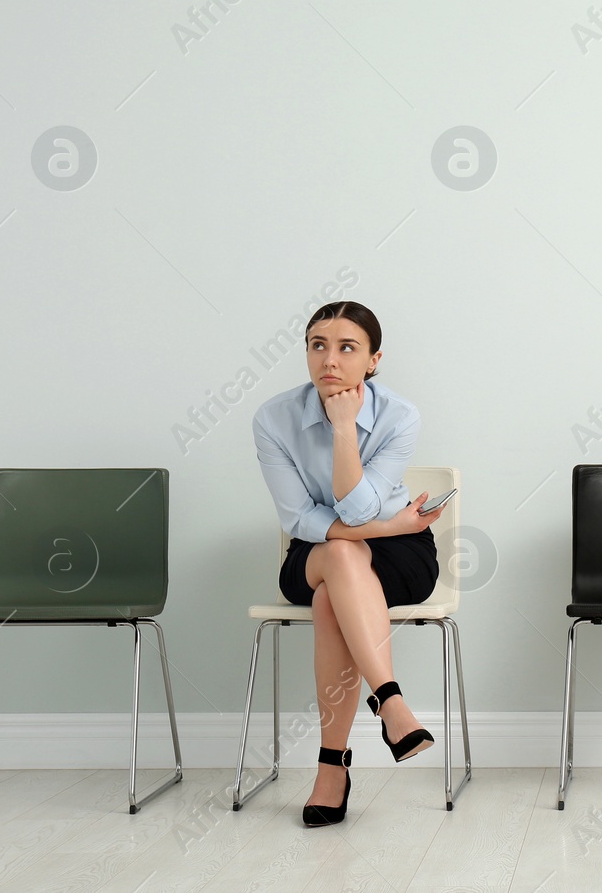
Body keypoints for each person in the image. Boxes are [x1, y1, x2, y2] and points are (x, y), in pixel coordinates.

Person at [252, 300, 445, 826]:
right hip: (315, 554)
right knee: (336, 555)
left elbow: (353, 507)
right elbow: (300, 519)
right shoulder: (274, 418)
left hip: (400, 559)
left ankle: (331, 767)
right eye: (318, 345)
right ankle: (390, 700)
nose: (329, 359)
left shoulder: (399, 415)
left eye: (346, 347)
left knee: (333, 588)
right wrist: (389, 524)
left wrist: (343, 427)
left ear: (373, 360)